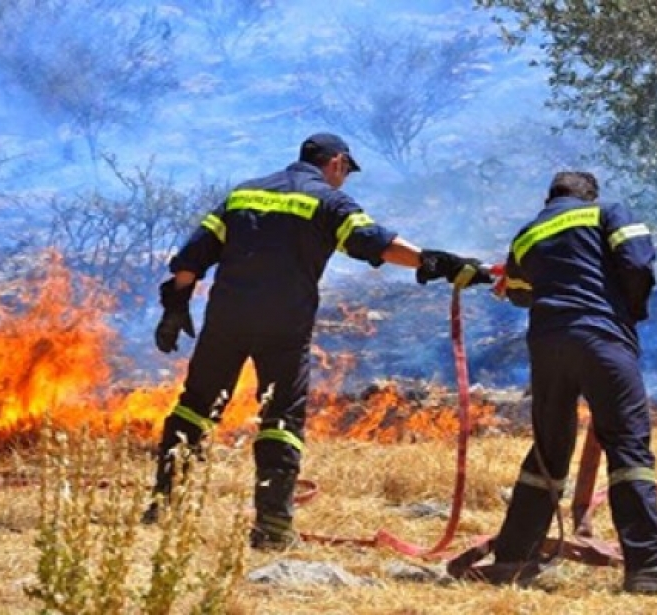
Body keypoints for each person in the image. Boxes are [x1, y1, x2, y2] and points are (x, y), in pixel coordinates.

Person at [142, 132, 492, 549]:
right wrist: (438, 262)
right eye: (346, 172)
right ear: (338, 162)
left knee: (196, 408)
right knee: (281, 420)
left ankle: (164, 505)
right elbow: (376, 243)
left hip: (227, 319)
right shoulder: (328, 200)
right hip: (284, 325)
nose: (344, 179)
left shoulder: (244, 194)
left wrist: (175, 306)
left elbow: (193, 256)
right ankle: (272, 526)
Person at [493, 171, 657, 593]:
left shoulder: (528, 232)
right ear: (589, 195)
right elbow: (636, 263)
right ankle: (648, 563)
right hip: (601, 338)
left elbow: (519, 291)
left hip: (547, 345)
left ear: (550, 197)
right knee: (628, 445)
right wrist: (628, 313)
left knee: (548, 451)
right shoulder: (608, 212)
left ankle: (513, 559)